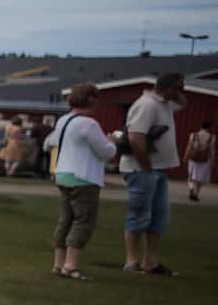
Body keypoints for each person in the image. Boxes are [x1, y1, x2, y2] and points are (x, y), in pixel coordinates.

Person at [44, 82, 117, 281]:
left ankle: (58, 264)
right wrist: (112, 142)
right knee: (83, 221)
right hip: (83, 177)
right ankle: (71, 266)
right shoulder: (89, 124)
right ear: (91, 100)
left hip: (63, 173)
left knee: (66, 220)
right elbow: (106, 152)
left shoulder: (63, 120)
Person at [120, 72, 186, 275]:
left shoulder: (165, 104)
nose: (182, 92)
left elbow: (183, 103)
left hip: (157, 169)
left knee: (159, 217)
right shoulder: (147, 105)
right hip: (142, 169)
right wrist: (146, 165)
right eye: (179, 87)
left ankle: (151, 261)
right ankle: (131, 261)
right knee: (139, 214)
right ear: (170, 88)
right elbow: (135, 137)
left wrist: (177, 93)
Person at [187, 119, 214, 203]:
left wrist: (185, 156)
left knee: (190, 177)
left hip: (193, 158)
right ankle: (196, 195)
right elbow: (212, 150)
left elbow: (189, 146)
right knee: (200, 179)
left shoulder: (194, 135)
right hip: (204, 159)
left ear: (201, 126)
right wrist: (212, 161)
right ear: (209, 127)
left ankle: (191, 188)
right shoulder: (212, 137)